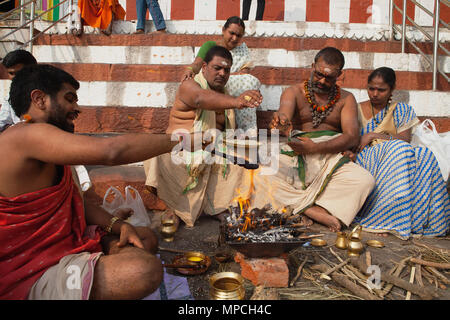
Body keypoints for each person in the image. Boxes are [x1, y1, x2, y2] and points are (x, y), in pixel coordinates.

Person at [0, 64, 198, 300]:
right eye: (69, 99)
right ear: (39, 99)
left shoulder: (50, 144)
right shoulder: (24, 135)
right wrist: (181, 140)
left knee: (145, 238)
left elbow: (76, 203)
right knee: (143, 271)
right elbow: (111, 151)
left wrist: (118, 225)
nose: (76, 109)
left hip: (67, 243)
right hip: (33, 270)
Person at [249, 47, 375, 232]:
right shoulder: (294, 92)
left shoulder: (346, 98)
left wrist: (316, 148)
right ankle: (312, 209)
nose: (322, 81)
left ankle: (299, 206)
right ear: (312, 66)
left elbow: (351, 136)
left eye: (329, 77)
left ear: (340, 75)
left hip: (328, 158)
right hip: (297, 153)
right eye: (318, 75)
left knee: (364, 180)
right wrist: (281, 122)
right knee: (260, 175)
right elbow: (284, 114)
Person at [144, 45, 262, 228]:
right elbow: (199, 98)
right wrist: (237, 102)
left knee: (249, 159)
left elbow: (228, 135)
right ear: (205, 67)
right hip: (181, 151)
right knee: (160, 156)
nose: (222, 73)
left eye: (227, 70)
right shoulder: (190, 86)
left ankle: (218, 207)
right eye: (217, 68)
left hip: (213, 153)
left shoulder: (225, 96)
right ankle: (173, 208)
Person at [352, 67, 450, 239]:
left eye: (381, 90)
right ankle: (384, 219)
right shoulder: (355, 109)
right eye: (371, 88)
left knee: (424, 155)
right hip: (366, 157)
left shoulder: (402, 110)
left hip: (396, 154)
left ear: (392, 89)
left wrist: (374, 135)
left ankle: (418, 220)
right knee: (400, 151)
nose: (375, 94)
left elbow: (404, 138)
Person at [182, 16, 261, 135]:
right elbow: (198, 64)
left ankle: (246, 131)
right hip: (210, 86)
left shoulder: (243, 51)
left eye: (239, 35)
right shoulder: (210, 46)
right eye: (232, 33)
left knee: (250, 82)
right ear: (223, 30)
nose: (234, 38)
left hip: (232, 88)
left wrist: (224, 75)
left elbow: (244, 76)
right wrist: (190, 69)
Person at [0, 49, 37, 132]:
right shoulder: (11, 96)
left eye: (19, 73)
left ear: (33, 70)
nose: (15, 77)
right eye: (11, 73)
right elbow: (2, 123)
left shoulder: (49, 92)